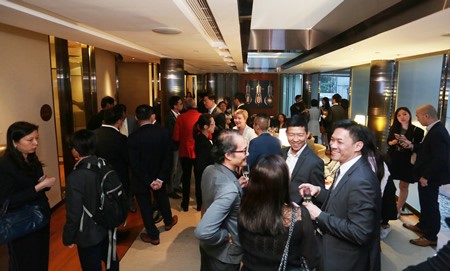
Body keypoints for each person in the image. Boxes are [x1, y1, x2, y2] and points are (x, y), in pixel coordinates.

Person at [299, 120, 382, 271]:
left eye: (340, 142)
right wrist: (318, 191)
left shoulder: (362, 180)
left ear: (358, 146)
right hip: (331, 250)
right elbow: (341, 199)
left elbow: (360, 232)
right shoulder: (347, 167)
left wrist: (319, 216)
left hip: (345, 260)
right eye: (332, 139)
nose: (333, 145)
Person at [238, 155, 319, 271]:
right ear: (284, 185)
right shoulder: (299, 215)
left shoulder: (244, 209)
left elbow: (240, 243)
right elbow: (311, 258)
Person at [0, 121, 56, 271]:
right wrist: (38, 187)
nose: (36, 143)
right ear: (15, 142)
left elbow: (33, 186)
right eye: (30, 140)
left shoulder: (31, 157)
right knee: (25, 262)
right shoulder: (5, 165)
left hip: (40, 217)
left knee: (41, 258)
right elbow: (6, 201)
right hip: (20, 222)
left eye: (37, 138)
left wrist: (43, 183)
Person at [63, 129, 119, 271]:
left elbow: (74, 212)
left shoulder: (75, 177)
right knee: (111, 260)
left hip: (88, 232)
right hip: (108, 223)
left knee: (91, 266)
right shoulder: (103, 163)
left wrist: (68, 236)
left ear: (76, 151)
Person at [194, 130, 248, 271]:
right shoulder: (230, 189)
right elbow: (203, 232)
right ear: (228, 155)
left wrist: (236, 184)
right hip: (224, 256)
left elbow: (214, 196)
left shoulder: (209, 170)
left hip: (207, 249)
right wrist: (225, 235)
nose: (247, 154)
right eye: (243, 151)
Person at [128, 104, 178, 245]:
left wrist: (149, 181)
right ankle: (168, 221)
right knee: (162, 197)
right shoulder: (164, 132)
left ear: (137, 118)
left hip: (142, 178)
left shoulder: (132, 138)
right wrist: (160, 179)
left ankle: (153, 235)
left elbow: (134, 164)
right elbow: (168, 158)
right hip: (159, 175)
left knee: (144, 205)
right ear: (153, 117)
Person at [403, 104, 450, 247]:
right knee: (425, 202)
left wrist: (426, 176)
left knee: (430, 205)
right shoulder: (434, 130)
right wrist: (411, 145)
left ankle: (431, 236)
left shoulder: (438, 132)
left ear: (426, 116)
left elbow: (440, 159)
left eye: (418, 116)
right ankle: (423, 225)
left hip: (431, 177)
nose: (417, 119)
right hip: (426, 174)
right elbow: (426, 149)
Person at [386, 107, 424, 216]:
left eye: (404, 114)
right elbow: (388, 142)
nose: (402, 117)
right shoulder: (394, 128)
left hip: (407, 159)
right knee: (388, 183)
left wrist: (408, 143)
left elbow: (419, 147)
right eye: (399, 115)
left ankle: (398, 209)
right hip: (394, 157)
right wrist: (392, 142)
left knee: (403, 186)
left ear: (409, 115)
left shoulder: (417, 130)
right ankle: (388, 206)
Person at [94, 105, 131, 213]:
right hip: (117, 176)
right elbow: (127, 158)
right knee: (118, 205)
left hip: (99, 174)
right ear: (119, 121)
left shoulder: (94, 134)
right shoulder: (121, 138)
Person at [282, 115, 324, 204]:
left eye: (300, 135)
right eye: (291, 135)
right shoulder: (281, 153)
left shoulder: (315, 162)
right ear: (286, 133)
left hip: (297, 213)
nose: (295, 139)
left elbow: (319, 197)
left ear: (307, 134)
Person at [173, 97, 201, 211]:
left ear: (185, 106)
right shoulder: (201, 116)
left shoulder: (180, 117)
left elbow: (176, 136)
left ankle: (185, 204)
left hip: (185, 151)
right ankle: (199, 203)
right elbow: (208, 135)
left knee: (186, 177)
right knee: (199, 178)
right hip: (198, 150)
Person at [193, 114, 215, 211]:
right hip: (204, 174)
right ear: (206, 127)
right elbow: (200, 165)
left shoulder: (202, 138)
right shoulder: (203, 142)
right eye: (213, 124)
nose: (215, 126)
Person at [166, 95, 184, 199]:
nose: (182, 105)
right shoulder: (169, 117)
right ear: (175, 106)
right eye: (180, 104)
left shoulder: (180, 115)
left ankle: (176, 185)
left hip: (181, 145)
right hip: (174, 146)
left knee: (180, 168)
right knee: (173, 168)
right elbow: (171, 132)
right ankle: (171, 189)